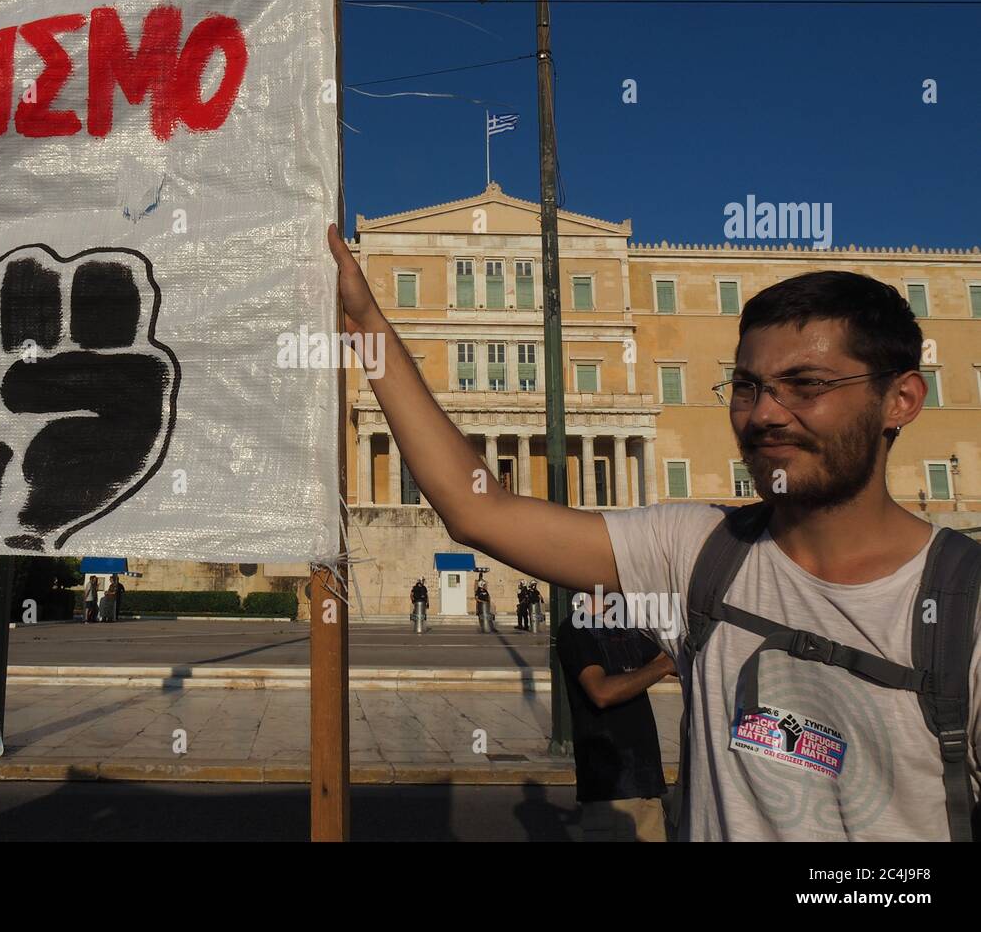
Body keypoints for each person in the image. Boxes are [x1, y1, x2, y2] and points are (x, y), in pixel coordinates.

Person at [329, 225, 980, 842]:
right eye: (747, 386)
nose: (766, 414)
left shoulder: (965, 611)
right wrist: (367, 325)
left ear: (902, 399)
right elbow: (478, 510)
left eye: (805, 385)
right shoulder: (697, 551)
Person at [558, 591, 676, 841]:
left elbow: (676, 658)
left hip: (647, 781)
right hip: (610, 788)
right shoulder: (575, 630)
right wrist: (663, 666)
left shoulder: (627, 627)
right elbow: (601, 692)